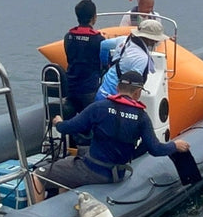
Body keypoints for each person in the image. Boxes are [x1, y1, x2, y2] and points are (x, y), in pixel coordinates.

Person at [33, 69, 191, 199]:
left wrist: (58, 122)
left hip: (92, 171)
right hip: (117, 173)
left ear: (117, 88)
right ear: (137, 93)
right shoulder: (142, 117)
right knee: (70, 165)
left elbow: (68, 128)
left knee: (37, 175)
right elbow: (155, 149)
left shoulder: (99, 108)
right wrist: (175, 145)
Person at [96, 18, 168, 101]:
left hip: (102, 91)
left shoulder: (123, 40)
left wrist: (105, 63)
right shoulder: (142, 58)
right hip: (115, 99)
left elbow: (104, 44)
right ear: (151, 40)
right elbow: (133, 85)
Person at [62, 0, 105, 116]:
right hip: (89, 90)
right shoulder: (98, 39)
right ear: (94, 17)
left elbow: (69, 58)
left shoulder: (68, 36)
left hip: (71, 89)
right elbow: (103, 64)